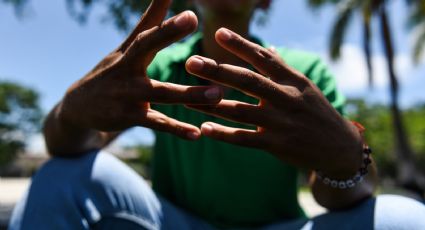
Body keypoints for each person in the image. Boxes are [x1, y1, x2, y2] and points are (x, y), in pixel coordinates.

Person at [8, 0, 425, 229]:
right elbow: (72, 147)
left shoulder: (302, 74)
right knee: (60, 177)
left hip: (275, 228)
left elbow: (338, 193)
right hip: (173, 225)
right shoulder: (160, 64)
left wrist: (348, 156)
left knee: (405, 218)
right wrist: (71, 113)